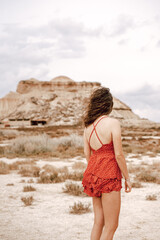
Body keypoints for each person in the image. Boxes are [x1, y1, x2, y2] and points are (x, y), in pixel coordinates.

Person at [82, 87, 132, 240]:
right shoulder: (113, 123)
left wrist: (96, 171)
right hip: (109, 175)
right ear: (108, 105)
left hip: (92, 174)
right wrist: (127, 178)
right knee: (111, 226)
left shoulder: (87, 127)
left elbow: (87, 154)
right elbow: (118, 154)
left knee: (98, 222)